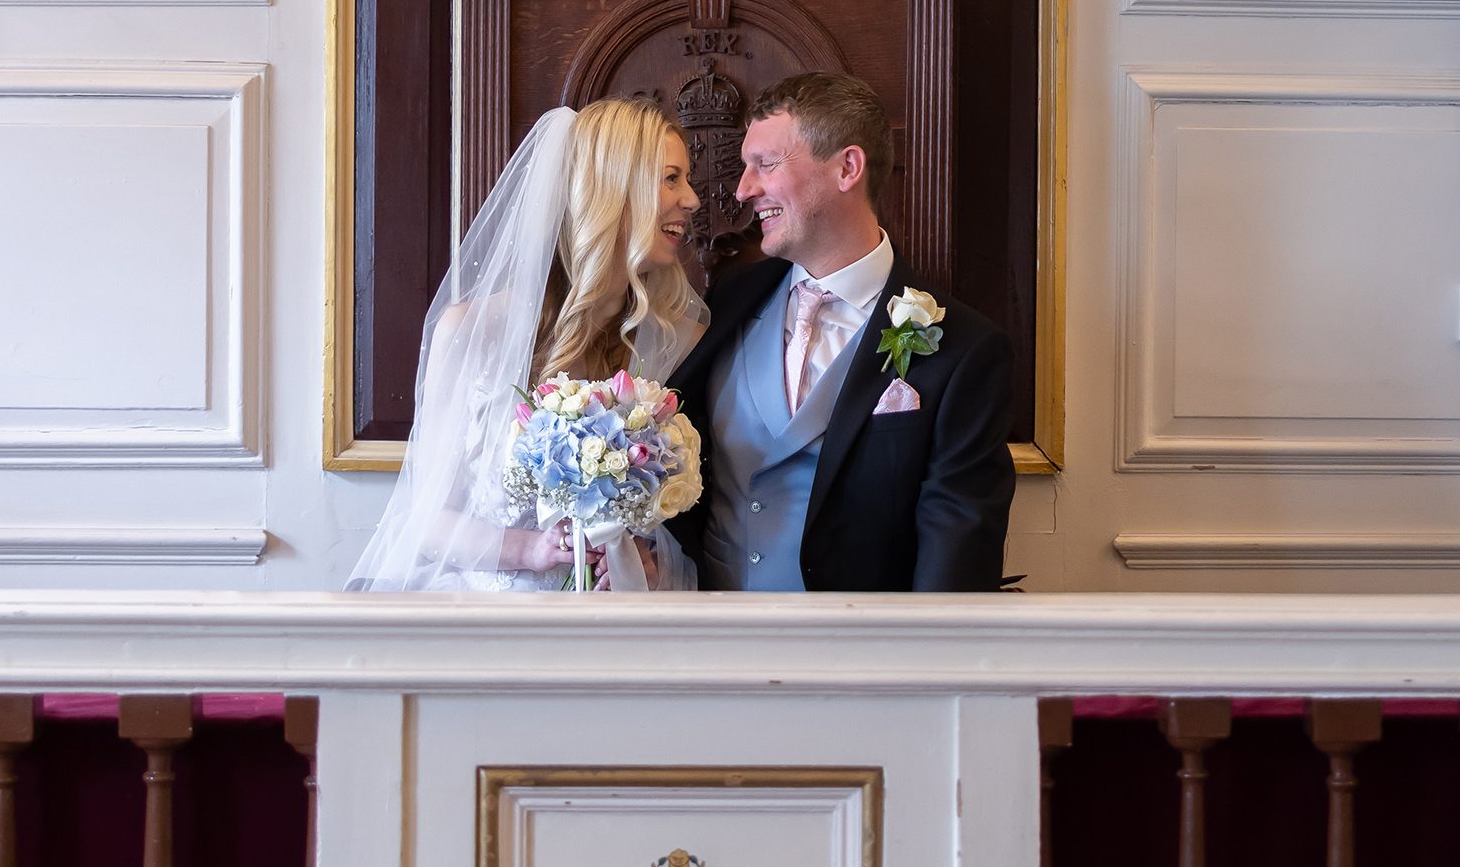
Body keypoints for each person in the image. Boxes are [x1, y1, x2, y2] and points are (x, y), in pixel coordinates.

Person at [667, 72, 1015, 593]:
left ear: (847, 167)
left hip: (861, 658)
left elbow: (957, 553)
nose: (743, 189)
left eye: (765, 164)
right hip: (709, 643)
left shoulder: (965, 349)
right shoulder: (726, 305)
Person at [347, 99, 705, 592]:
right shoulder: (472, 331)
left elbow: (681, 520)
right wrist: (531, 550)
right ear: (613, 191)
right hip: (492, 625)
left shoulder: (673, 340)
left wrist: (644, 561)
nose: (692, 200)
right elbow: (428, 521)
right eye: (671, 178)